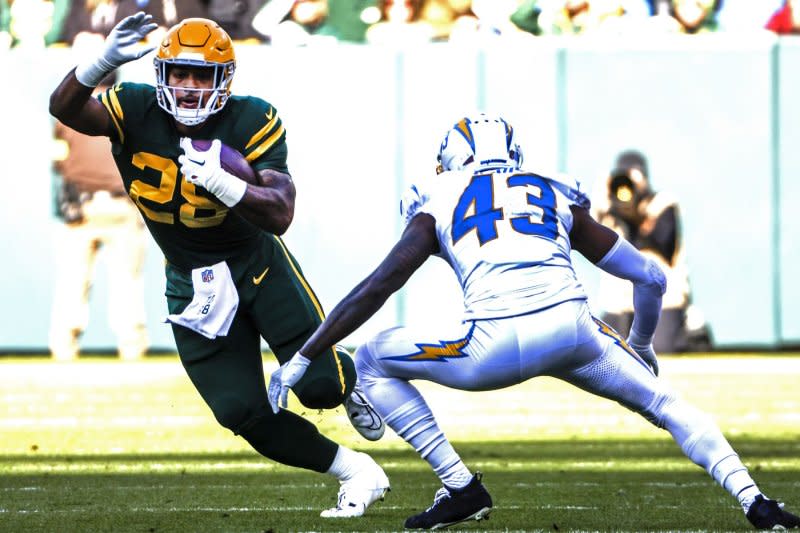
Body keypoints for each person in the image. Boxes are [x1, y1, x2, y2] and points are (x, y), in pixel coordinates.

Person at [267, 113, 800, 530]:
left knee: (371, 359)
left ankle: (459, 487)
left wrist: (306, 354)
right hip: (575, 334)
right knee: (666, 404)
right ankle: (756, 502)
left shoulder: (438, 197)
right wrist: (640, 344)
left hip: (490, 345)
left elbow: (378, 286)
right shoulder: (552, 188)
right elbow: (652, 280)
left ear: (451, 161)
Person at [48, 12, 389, 518]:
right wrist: (102, 62)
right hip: (192, 281)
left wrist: (227, 184)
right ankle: (356, 471)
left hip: (258, 266)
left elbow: (281, 213)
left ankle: (348, 380)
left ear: (223, 79)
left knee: (319, 388)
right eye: (179, 74)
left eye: (201, 75)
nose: (188, 88)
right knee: (240, 411)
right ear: (161, 75)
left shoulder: (252, 117)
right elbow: (65, 108)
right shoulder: (135, 105)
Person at [49, 72, 149, 362]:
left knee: (73, 281)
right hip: (123, 206)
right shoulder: (128, 112)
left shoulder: (68, 113)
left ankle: (63, 349)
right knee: (127, 282)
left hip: (82, 206)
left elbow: (58, 161)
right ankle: (132, 349)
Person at [591, 149, 712, 353]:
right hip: (619, 303)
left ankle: (691, 330)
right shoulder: (610, 212)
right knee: (609, 350)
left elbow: (663, 242)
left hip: (663, 300)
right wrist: (601, 203)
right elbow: (588, 236)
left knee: (661, 348)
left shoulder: (662, 204)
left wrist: (633, 215)